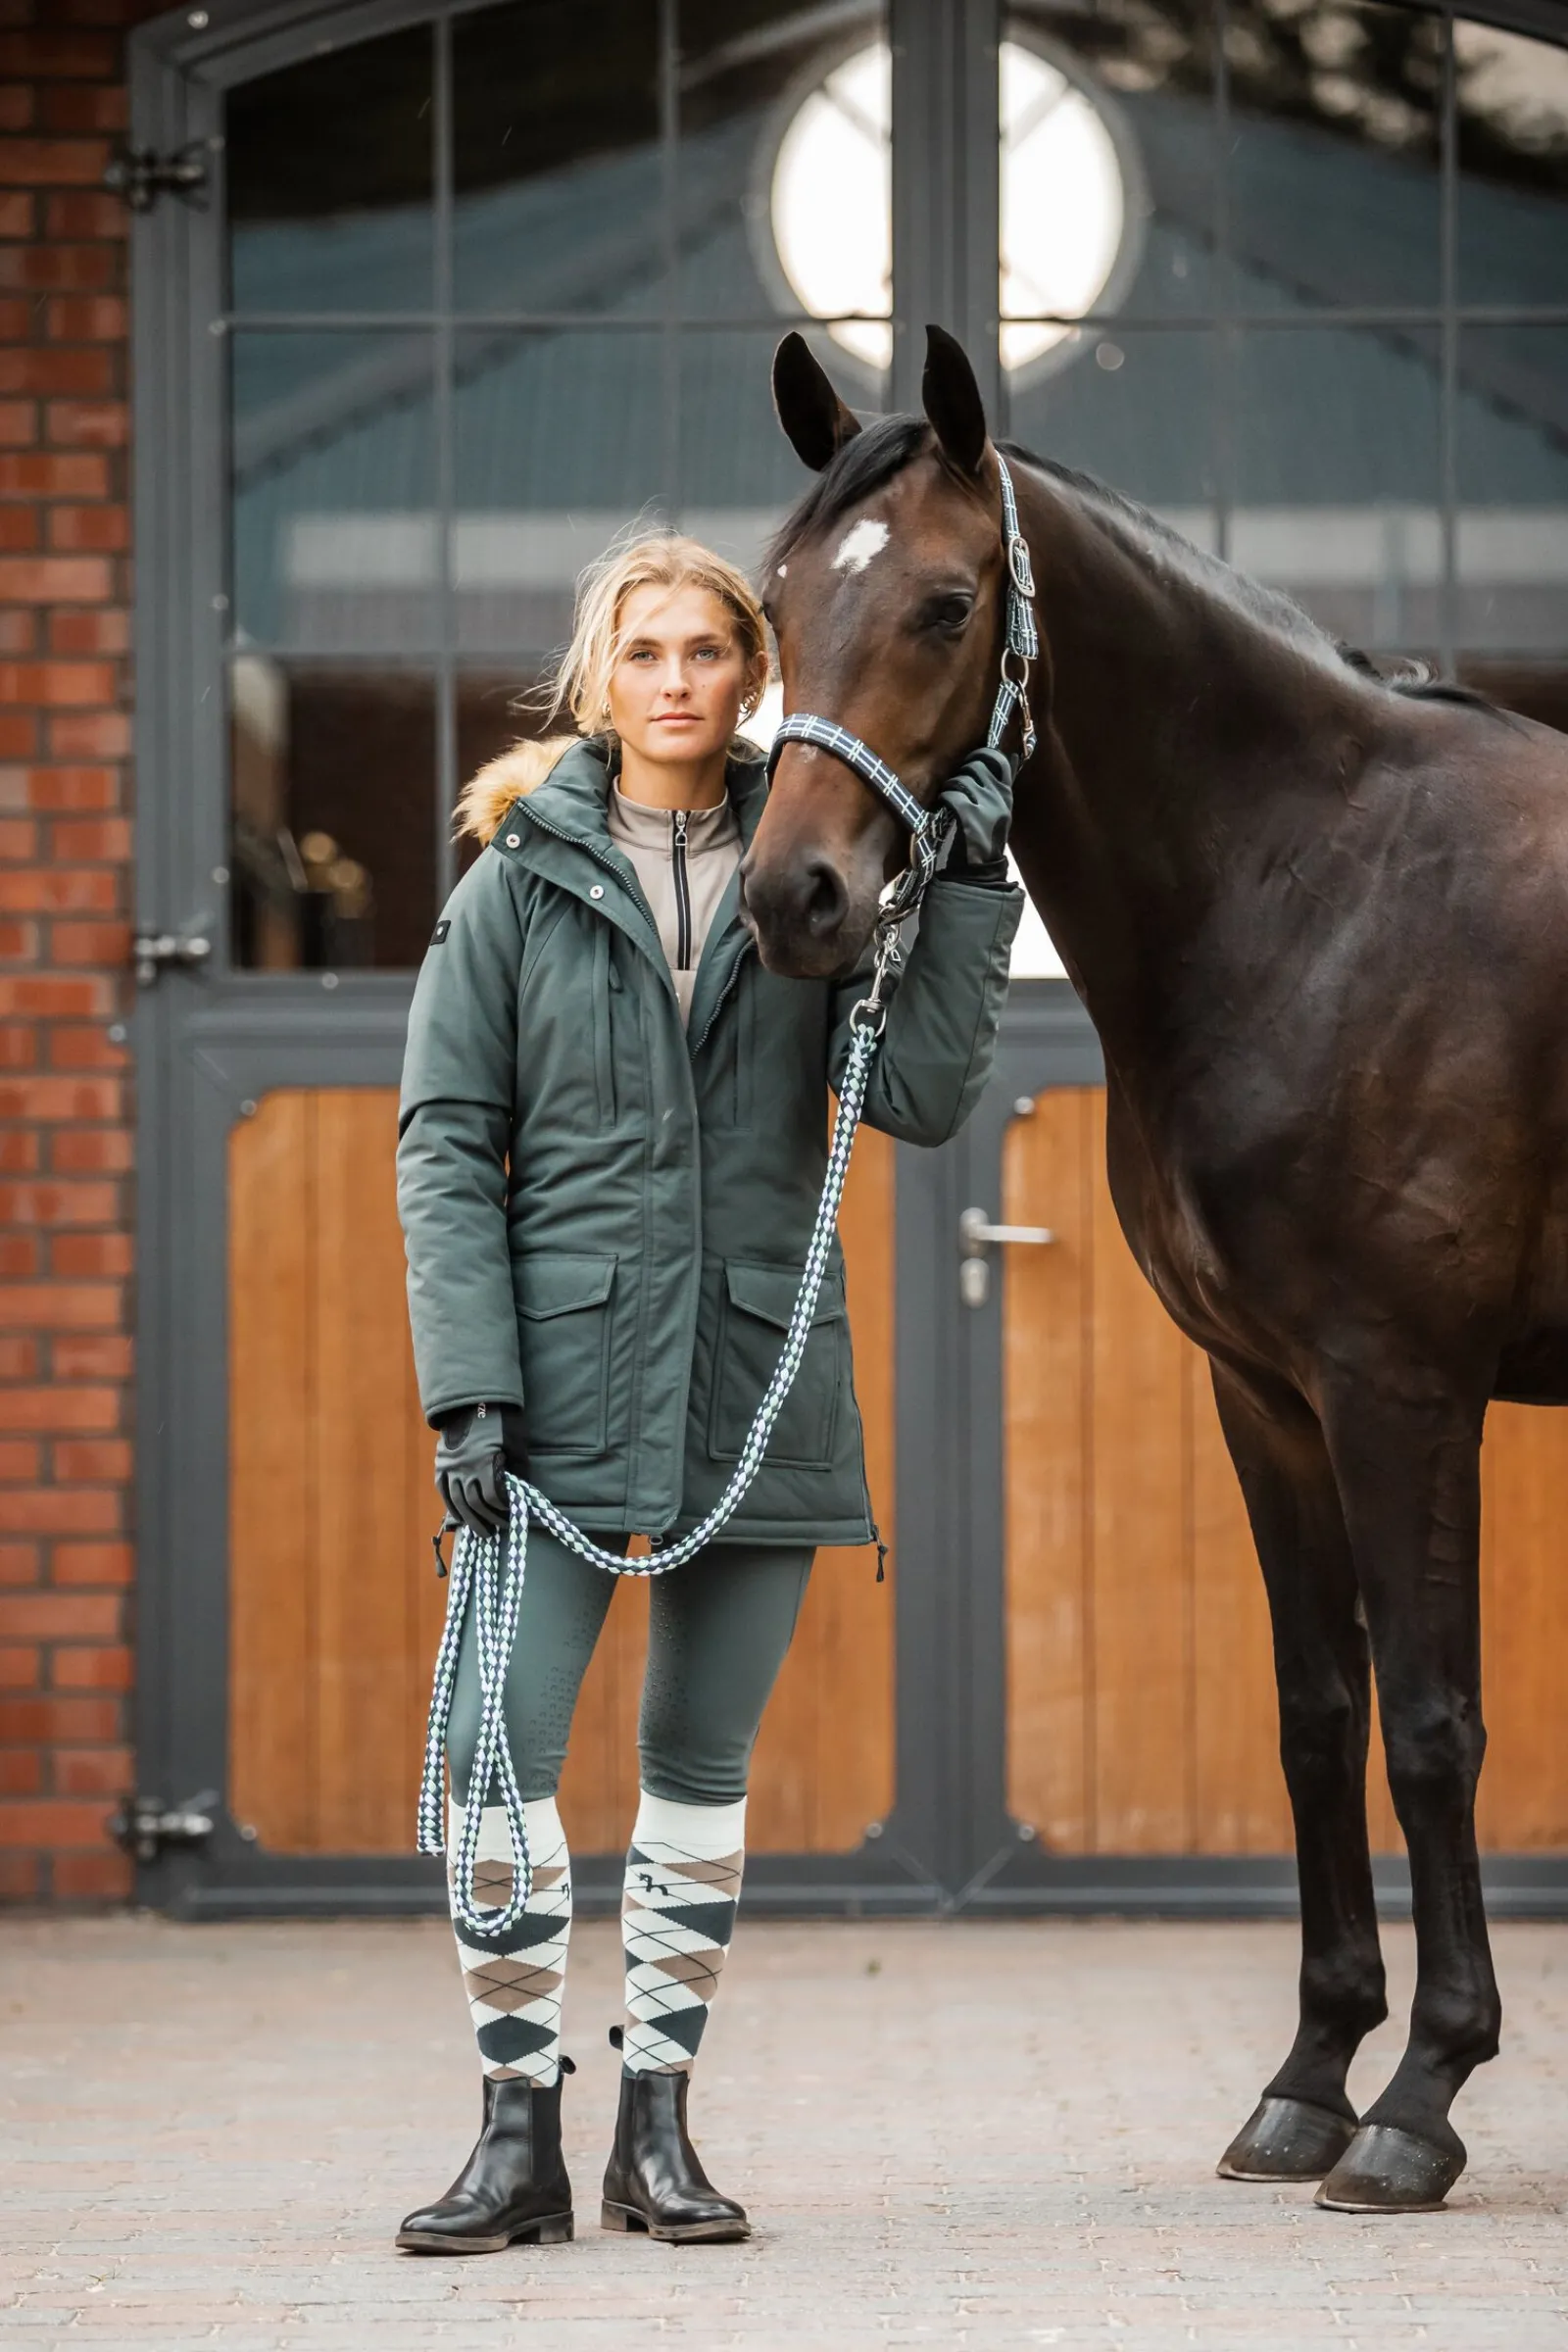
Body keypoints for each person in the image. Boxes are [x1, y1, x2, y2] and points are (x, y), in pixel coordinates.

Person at [393, 532, 1022, 2255]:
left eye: (706, 650)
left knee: (696, 1772)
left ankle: (655, 2133)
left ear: (756, 672)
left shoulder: (812, 862)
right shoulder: (517, 880)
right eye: (644, 651)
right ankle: (517, 2135)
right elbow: (445, 1144)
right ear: (600, 678)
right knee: (495, 1759)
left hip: (757, 1380)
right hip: (550, 1391)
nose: (675, 679)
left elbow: (919, 1097)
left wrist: (968, 890)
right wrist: (469, 1390)